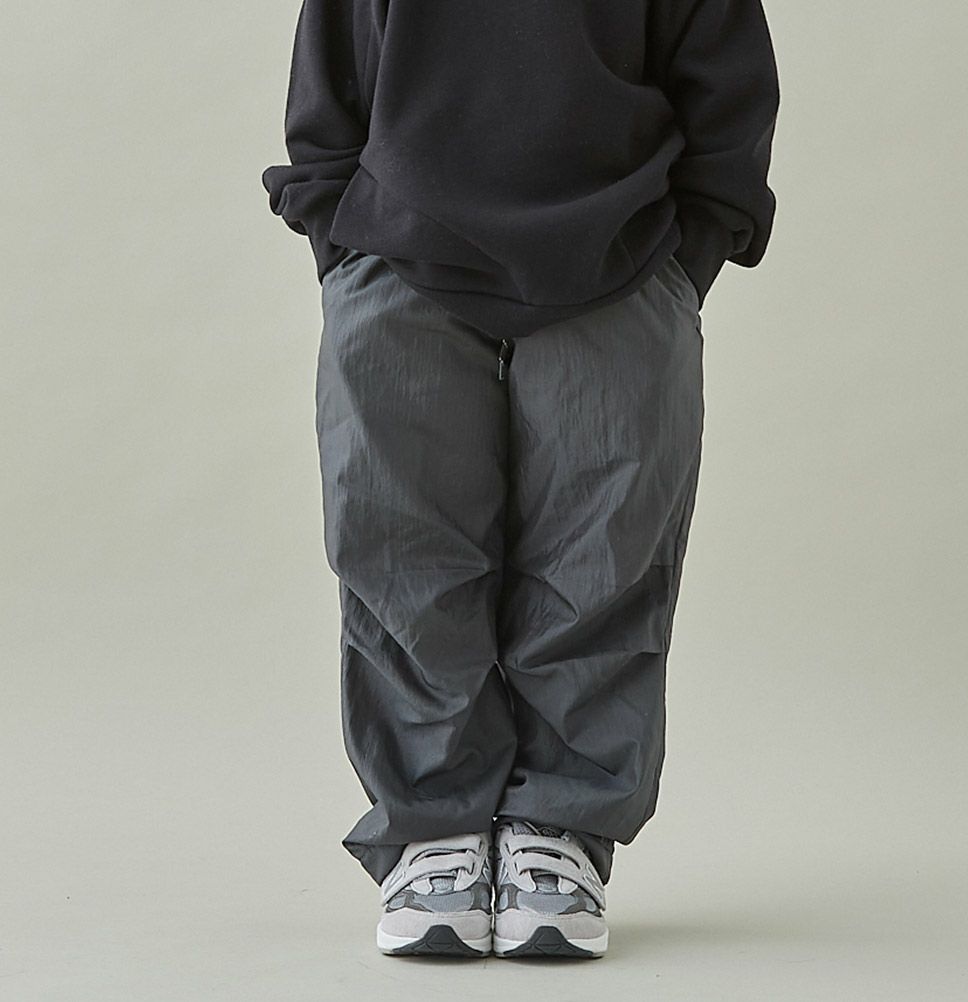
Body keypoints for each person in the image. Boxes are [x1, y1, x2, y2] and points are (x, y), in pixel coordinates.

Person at [262, 0, 779, 960]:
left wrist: (688, 256)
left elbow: (726, 82)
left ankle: (561, 832)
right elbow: (331, 73)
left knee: (604, 561)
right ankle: (435, 830)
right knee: (401, 553)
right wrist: (343, 244)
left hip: (622, 259)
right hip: (400, 252)